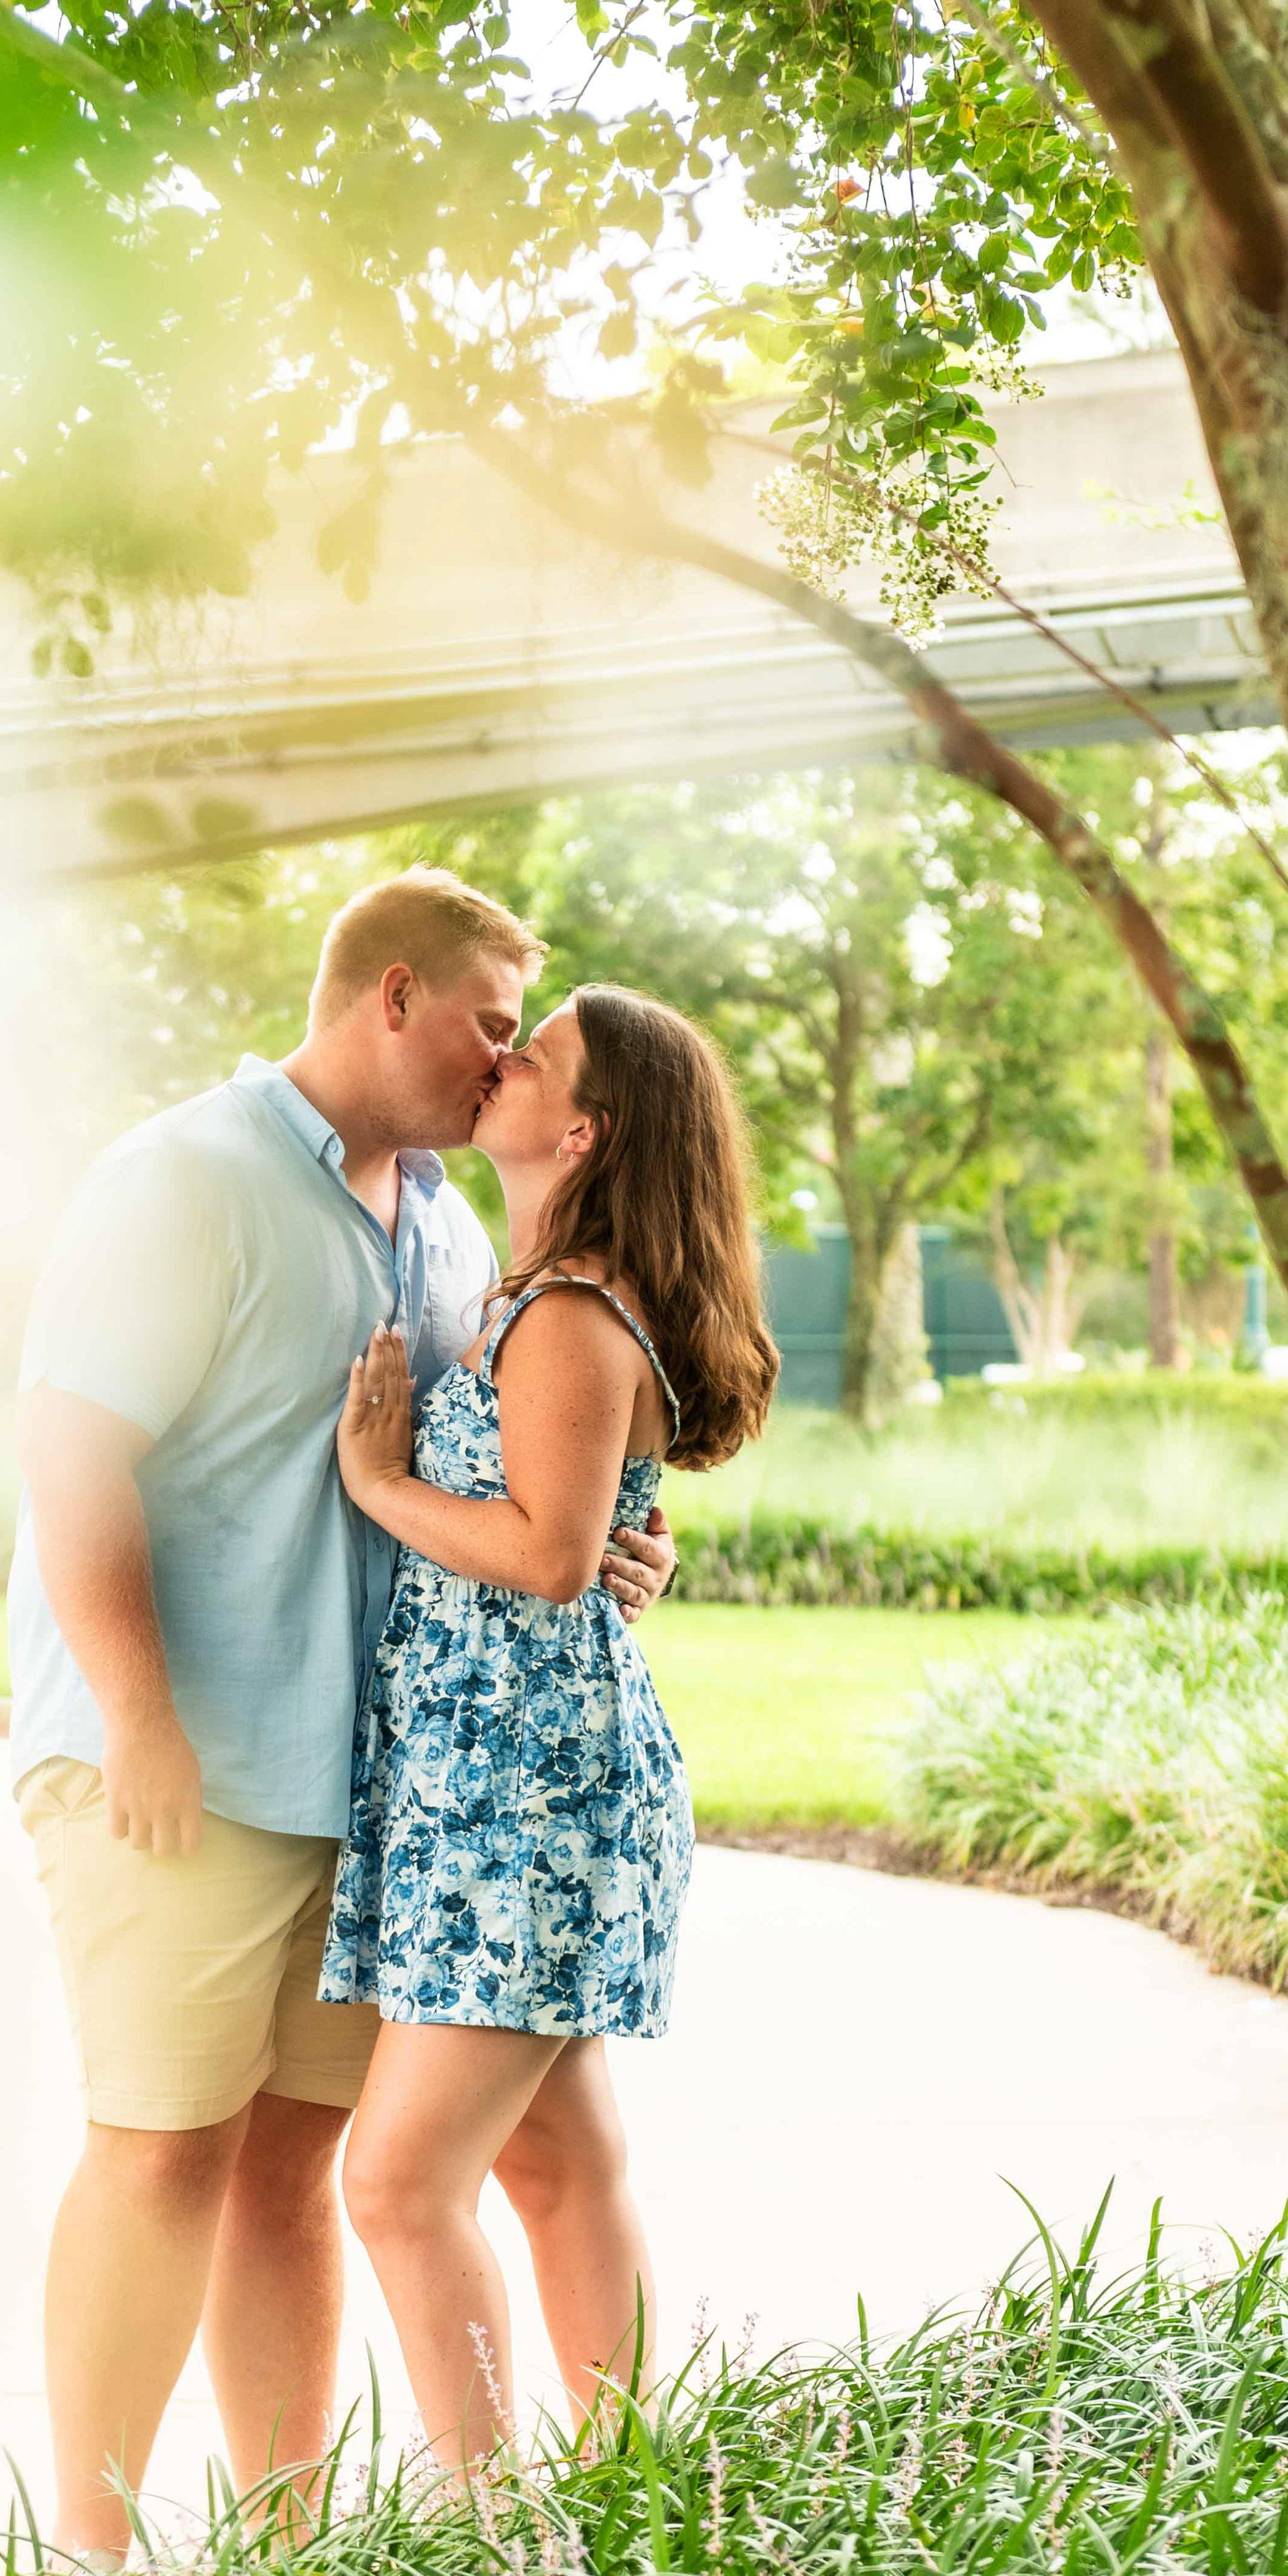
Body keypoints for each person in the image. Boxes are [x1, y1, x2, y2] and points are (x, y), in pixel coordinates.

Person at [8, 872, 678, 2567]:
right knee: (159, 2152)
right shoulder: (184, 1179)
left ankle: (283, 2561)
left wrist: (605, 1545)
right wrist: (136, 1713)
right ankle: (88, 2568)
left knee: (286, 2177)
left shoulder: (450, 1228)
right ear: (395, 995)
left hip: (376, 1795)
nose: (500, 1060)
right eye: (488, 1026)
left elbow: (511, 1478)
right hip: (178, 1766)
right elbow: (73, 1452)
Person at [321, 982, 780, 2483]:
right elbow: (594, 1544)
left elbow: (550, 1554)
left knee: (397, 2185)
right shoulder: (543, 1296)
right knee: (560, 2168)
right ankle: (635, 2513)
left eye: (538, 1053)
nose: (502, 1059)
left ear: (580, 1129)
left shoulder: (572, 1315)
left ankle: (488, 2550)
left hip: (528, 1792)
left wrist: (383, 1484)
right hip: (509, 1775)